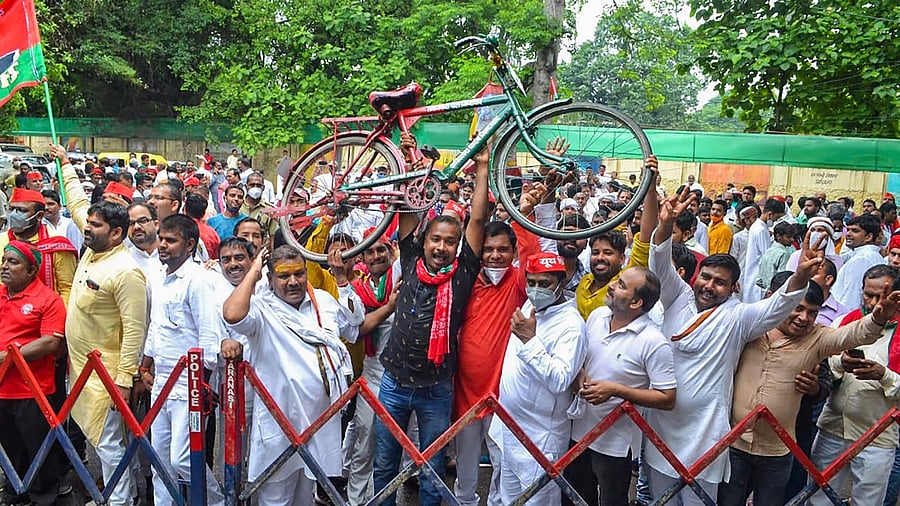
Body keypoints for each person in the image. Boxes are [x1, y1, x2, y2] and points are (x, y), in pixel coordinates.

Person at [644, 187, 819, 505]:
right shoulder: (676, 296)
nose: (709, 286)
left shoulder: (738, 317)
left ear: (733, 287)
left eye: (719, 282)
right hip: (662, 427)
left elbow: (777, 308)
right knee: (661, 500)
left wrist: (800, 277)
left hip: (705, 434)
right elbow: (659, 262)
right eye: (706, 277)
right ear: (696, 276)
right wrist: (666, 223)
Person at [373, 133, 489, 506]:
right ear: (423, 241)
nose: (441, 247)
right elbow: (408, 205)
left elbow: (479, 218)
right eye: (435, 239)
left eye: (450, 242)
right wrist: (409, 158)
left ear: (458, 247)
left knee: (433, 469)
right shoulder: (409, 259)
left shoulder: (463, 271)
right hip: (393, 381)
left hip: (436, 388)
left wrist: (484, 166)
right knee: (384, 464)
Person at [719, 274, 898, 505]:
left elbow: (853, 334)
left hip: (778, 450)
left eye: (812, 312)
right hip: (732, 442)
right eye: (798, 308)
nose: (804, 318)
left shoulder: (817, 337)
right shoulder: (749, 326)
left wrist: (878, 319)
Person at [223, 244, 359, 504]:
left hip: (319, 423)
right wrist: (253, 272)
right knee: (276, 497)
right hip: (280, 425)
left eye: (299, 273)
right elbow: (232, 314)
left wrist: (343, 280)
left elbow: (354, 325)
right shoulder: (262, 309)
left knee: (304, 498)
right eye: (284, 276)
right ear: (270, 279)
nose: (293, 281)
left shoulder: (322, 301)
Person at [566, 267, 676, 506]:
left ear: (636, 302)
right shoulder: (597, 317)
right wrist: (579, 374)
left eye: (622, 285)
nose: (613, 286)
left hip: (615, 445)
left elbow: (667, 397)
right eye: (617, 281)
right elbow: (582, 358)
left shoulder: (654, 342)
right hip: (578, 432)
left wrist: (616, 391)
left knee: (612, 501)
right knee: (574, 498)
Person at [139, 215, 224, 506]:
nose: (162, 245)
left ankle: (216, 502)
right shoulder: (159, 277)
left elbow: (209, 336)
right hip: (160, 382)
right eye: (161, 238)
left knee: (183, 459)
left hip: (188, 385)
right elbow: (156, 326)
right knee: (159, 460)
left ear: (189, 245)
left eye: (170, 240)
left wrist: (203, 384)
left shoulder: (198, 280)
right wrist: (145, 366)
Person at [66, 201, 147, 506]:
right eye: (88, 222)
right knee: (106, 443)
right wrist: (64, 164)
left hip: (107, 376)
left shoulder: (125, 271)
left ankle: (120, 501)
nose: (87, 227)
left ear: (116, 233)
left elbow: (135, 329)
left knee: (109, 444)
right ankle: (125, 495)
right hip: (82, 372)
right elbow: (75, 206)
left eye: (95, 225)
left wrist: (124, 379)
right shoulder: (92, 252)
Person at [494, 252, 586, 505]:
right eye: (531, 282)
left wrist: (529, 340)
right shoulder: (531, 307)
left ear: (561, 283)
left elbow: (559, 380)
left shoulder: (571, 326)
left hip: (539, 440)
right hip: (511, 429)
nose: (535, 290)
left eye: (544, 284)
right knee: (509, 499)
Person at [809, 265, 900, 505]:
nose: (873, 303)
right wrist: (840, 362)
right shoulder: (845, 321)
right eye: (868, 295)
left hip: (877, 436)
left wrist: (884, 375)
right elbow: (824, 365)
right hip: (832, 429)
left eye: (881, 297)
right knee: (819, 498)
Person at [0, 241, 67, 506]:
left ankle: (44, 497)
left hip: (33, 389)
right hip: (2, 387)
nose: (5, 266)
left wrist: (9, 357)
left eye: (13, 263)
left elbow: (51, 342)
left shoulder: (48, 299)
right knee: (10, 445)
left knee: (38, 446)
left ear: (31, 271)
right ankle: (16, 493)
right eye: (4, 260)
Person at [575, 157, 659, 320]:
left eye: (607, 253)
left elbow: (647, 237)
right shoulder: (584, 282)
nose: (600, 258)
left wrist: (650, 188)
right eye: (596, 252)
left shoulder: (626, 281)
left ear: (622, 258)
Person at [1, 188, 77, 305]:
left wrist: (57, 317)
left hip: (44, 314)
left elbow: (66, 289)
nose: (14, 215)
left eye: (21, 210)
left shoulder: (57, 245)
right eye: (11, 209)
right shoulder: (2, 240)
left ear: (40, 215)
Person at [832, 214, 885, 309]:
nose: (848, 234)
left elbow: (852, 298)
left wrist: (845, 321)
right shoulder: (874, 256)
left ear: (868, 237)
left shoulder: (862, 259)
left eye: (855, 231)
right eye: (848, 230)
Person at [741, 197, 785, 303]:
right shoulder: (760, 229)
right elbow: (767, 255)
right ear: (770, 214)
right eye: (775, 218)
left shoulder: (759, 227)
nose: (774, 221)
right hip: (757, 275)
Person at [755, 220, 795, 292]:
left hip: (764, 291)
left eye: (792, 236)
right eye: (788, 237)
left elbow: (759, 279)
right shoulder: (784, 253)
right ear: (779, 236)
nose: (792, 239)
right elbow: (782, 278)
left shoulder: (768, 251)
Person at [240, 171, 278, 240]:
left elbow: (273, 236)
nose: (255, 188)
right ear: (246, 187)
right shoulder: (238, 206)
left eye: (258, 185)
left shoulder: (269, 209)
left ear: (263, 188)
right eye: (252, 185)